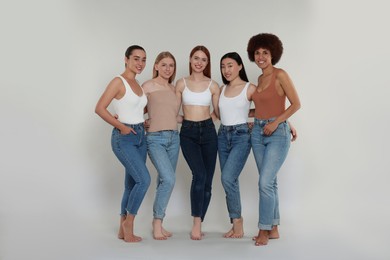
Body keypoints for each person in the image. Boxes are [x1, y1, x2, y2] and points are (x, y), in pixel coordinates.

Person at [246, 33, 301, 246]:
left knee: (264, 182)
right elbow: (264, 107)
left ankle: (263, 229)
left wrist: (278, 123)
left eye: (265, 53)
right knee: (270, 182)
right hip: (258, 133)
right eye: (257, 53)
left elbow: (296, 104)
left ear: (273, 54)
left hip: (276, 134)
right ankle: (275, 228)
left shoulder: (280, 75)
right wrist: (252, 117)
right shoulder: (259, 79)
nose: (260, 57)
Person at [95, 45, 150, 243]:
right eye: (136, 59)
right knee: (144, 180)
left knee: (132, 183)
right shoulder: (118, 81)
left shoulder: (139, 84)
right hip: (124, 137)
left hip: (140, 136)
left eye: (143, 59)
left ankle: (121, 228)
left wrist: (143, 121)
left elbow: (133, 108)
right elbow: (100, 108)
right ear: (126, 59)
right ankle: (129, 223)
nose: (140, 63)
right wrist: (121, 126)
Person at [175, 45, 220, 240]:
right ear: (190, 60)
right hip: (188, 133)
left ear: (207, 63)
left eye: (203, 59)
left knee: (208, 182)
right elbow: (172, 111)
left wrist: (205, 121)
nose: (199, 62)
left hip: (209, 132)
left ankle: (200, 221)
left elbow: (219, 111)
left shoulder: (213, 85)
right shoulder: (181, 83)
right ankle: (196, 222)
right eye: (196, 58)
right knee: (199, 174)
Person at [141, 51, 181, 240]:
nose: (167, 68)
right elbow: (134, 110)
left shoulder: (175, 89)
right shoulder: (147, 86)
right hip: (155, 138)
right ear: (156, 66)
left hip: (174, 138)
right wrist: (142, 121)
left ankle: (159, 222)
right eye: (164, 64)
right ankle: (157, 221)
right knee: (169, 179)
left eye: (171, 65)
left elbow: (174, 115)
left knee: (163, 181)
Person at [218, 52, 257, 238]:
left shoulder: (250, 88)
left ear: (240, 66)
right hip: (222, 135)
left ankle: (238, 222)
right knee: (229, 180)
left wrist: (286, 123)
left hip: (241, 136)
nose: (226, 70)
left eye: (230, 65)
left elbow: (267, 108)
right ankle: (235, 224)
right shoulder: (221, 89)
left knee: (227, 178)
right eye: (223, 66)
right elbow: (216, 115)